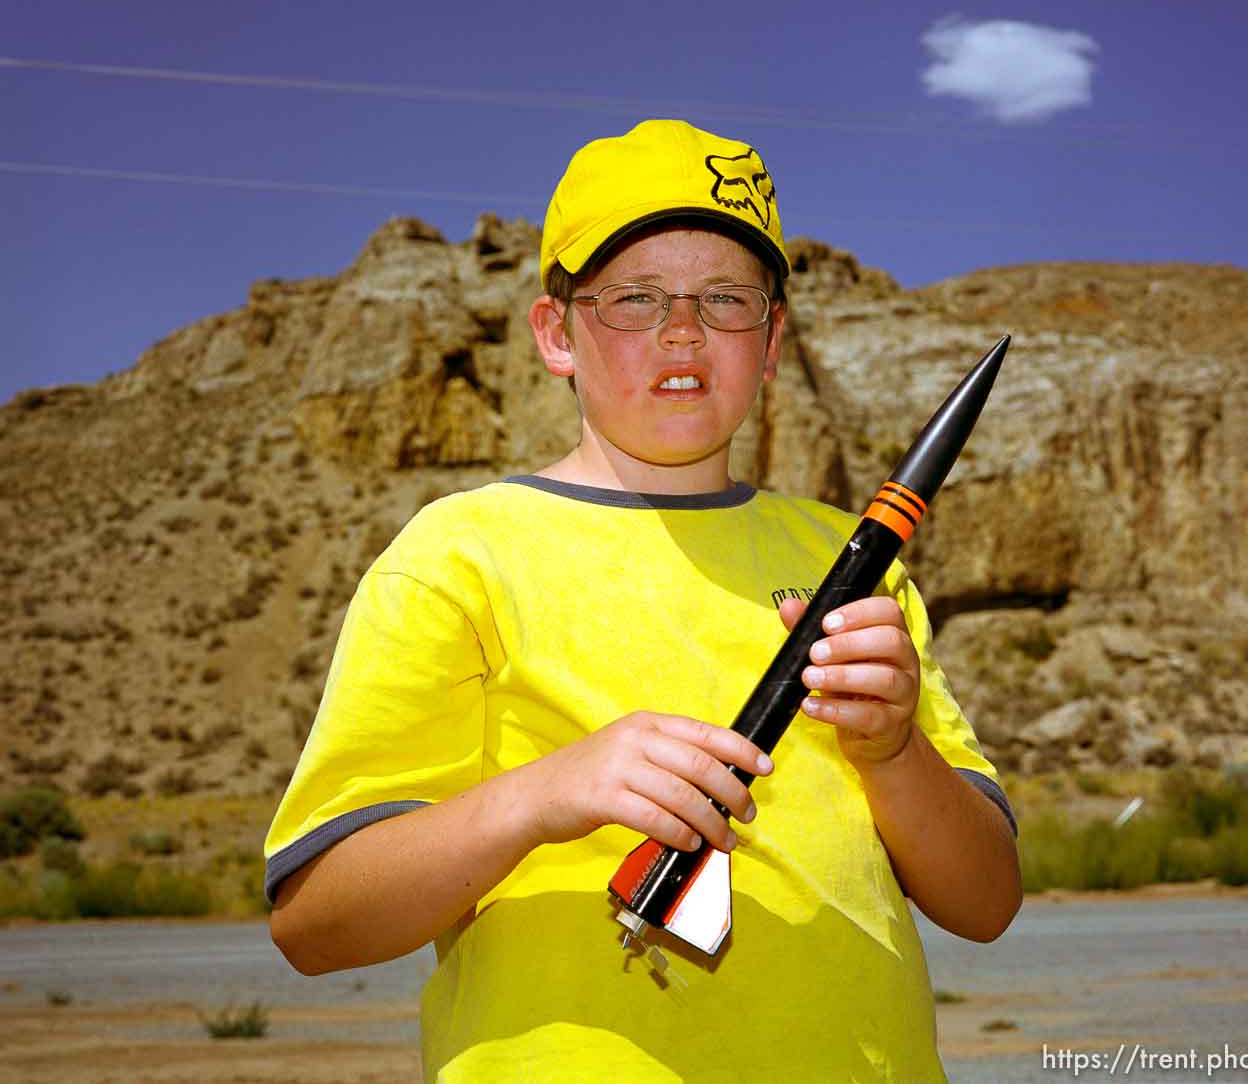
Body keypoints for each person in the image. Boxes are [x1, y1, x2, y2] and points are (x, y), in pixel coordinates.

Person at [265, 119, 1022, 1082]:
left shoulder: (856, 566)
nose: (682, 331)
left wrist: (892, 747)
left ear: (773, 337)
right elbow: (314, 923)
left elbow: (987, 902)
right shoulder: (458, 557)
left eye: (726, 299)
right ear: (556, 334)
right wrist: (543, 795)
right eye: (633, 298)